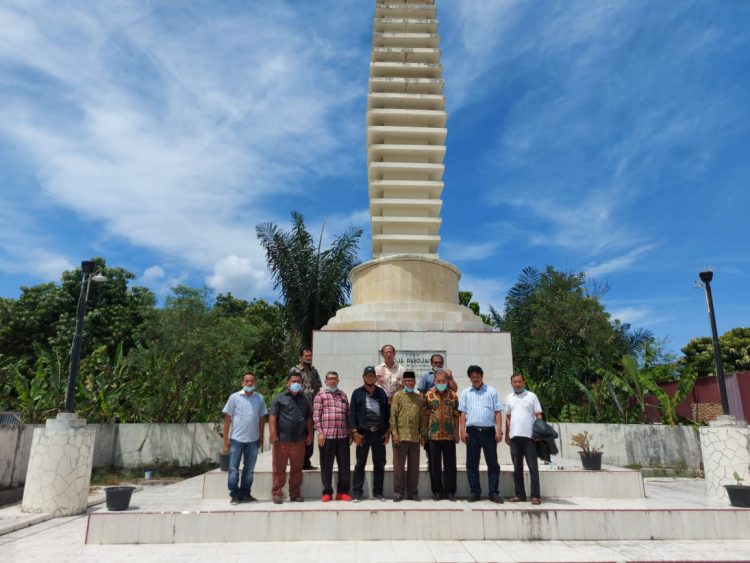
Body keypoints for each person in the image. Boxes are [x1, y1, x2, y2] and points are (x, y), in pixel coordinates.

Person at [458, 365, 504, 503]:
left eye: (477, 376)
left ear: (482, 376)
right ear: (470, 378)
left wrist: (499, 431)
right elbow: (462, 413)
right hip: (472, 431)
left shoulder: (491, 391)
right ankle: (475, 492)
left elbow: (498, 412)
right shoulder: (466, 392)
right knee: (472, 464)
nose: (475, 378)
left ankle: (494, 492)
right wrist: (462, 431)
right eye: (472, 376)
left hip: (489, 432)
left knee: (493, 463)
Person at [222, 372, 267, 505]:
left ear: (255, 383)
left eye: (252, 381)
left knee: (249, 469)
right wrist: (226, 439)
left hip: (253, 440)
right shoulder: (234, 397)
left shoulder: (259, 398)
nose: (249, 383)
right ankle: (234, 495)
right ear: (242, 383)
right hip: (236, 439)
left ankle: (246, 494)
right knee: (233, 468)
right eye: (247, 381)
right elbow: (227, 419)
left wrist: (261, 437)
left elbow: (261, 419)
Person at [269, 373, 313, 504]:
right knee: (279, 469)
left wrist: (310, 433)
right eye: (294, 381)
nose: (296, 383)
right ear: (287, 383)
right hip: (281, 441)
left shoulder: (304, 399)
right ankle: (277, 493)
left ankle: (294, 494)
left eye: (299, 381)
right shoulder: (279, 398)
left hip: (299, 441)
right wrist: (273, 434)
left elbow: (308, 418)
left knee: (297, 470)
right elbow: (272, 417)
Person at [350, 365, 390, 502]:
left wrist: (387, 431)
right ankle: (357, 493)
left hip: (378, 434)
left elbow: (386, 413)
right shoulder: (357, 393)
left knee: (379, 463)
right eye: (367, 375)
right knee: (360, 463)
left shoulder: (381, 393)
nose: (370, 377)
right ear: (363, 377)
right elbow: (352, 414)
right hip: (363, 434)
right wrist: (354, 432)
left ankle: (378, 492)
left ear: (375, 377)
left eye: (372, 375)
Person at [313, 371, 353, 502]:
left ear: (338, 380)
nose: (332, 381)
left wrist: (350, 432)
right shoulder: (320, 395)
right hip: (327, 437)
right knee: (326, 465)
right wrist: (320, 433)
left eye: (334, 379)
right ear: (325, 381)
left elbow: (348, 415)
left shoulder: (343, 395)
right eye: (330, 379)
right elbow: (316, 415)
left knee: (344, 465)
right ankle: (327, 491)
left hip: (342, 436)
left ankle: (342, 492)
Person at [505, 373, 543, 505]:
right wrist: (507, 434)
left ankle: (535, 496)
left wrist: (539, 433)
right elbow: (508, 416)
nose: (517, 384)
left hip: (530, 437)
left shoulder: (531, 396)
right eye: (514, 382)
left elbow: (538, 414)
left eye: (519, 381)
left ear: (523, 382)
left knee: (533, 467)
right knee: (517, 468)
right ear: (511, 383)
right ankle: (520, 494)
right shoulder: (509, 398)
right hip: (515, 437)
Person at [422, 369, 460, 501]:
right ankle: (437, 491)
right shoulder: (428, 395)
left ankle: (450, 491)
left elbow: (456, 416)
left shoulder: (453, 396)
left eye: (444, 381)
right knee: (434, 465)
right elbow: (425, 416)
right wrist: (424, 434)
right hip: (433, 436)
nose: (441, 383)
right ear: (434, 381)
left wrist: (457, 432)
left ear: (448, 381)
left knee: (450, 465)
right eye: (439, 381)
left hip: (449, 436)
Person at [389, 371, 424, 501]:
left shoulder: (418, 398)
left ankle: (413, 492)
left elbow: (421, 418)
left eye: (412, 381)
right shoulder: (397, 396)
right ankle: (398, 492)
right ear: (403, 382)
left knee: (414, 467)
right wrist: (394, 433)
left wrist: (422, 435)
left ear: (415, 382)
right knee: (398, 467)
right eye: (407, 381)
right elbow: (393, 415)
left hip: (414, 437)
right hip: (400, 437)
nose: (410, 383)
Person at [288, 346, 322, 470]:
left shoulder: (314, 371)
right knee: (298, 435)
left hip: (311, 409)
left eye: (310, 356)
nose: (308, 358)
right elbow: (290, 387)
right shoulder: (295, 370)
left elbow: (318, 388)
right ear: (300, 357)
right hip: (297, 408)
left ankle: (306, 461)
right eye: (306, 356)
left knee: (309, 436)